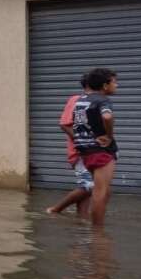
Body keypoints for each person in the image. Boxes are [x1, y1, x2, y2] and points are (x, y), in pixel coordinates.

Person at [71, 68, 119, 222]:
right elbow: (107, 116)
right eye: (114, 82)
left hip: (85, 151)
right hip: (100, 151)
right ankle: (98, 232)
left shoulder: (81, 100)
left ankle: (90, 224)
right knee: (101, 191)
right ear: (105, 86)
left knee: (104, 191)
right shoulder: (102, 100)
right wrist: (109, 136)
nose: (117, 85)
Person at [46, 74, 93, 216]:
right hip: (81, 152)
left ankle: (82, 221)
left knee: (86, 189)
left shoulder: (95, 102)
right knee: (89, 186)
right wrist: (82, 144)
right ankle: (56, 209)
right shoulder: (76, 101)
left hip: (92, 151)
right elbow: (65, 124)